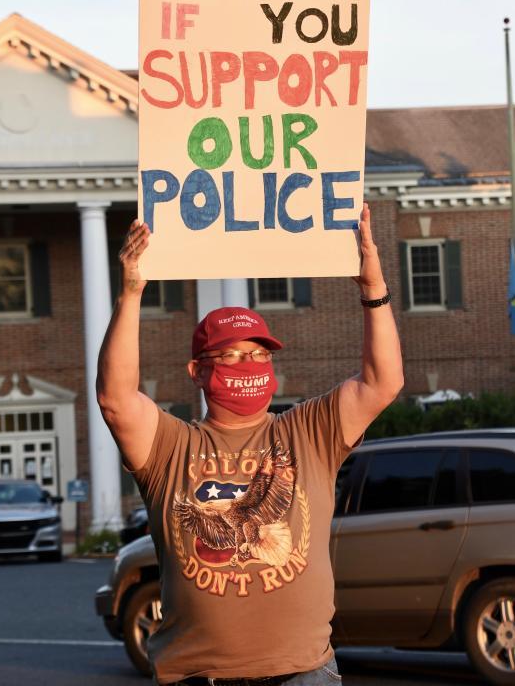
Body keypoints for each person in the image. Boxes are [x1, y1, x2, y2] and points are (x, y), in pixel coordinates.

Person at [96, 202, 403, 686]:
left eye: (258, 354)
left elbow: (382, 383)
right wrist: (132, 292)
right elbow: (115, 399)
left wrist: (373, 289)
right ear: (198, 371)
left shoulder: (307, 430)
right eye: (231, 355)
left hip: (304, 673)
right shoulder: (171, 445)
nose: (248, 364)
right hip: (199, 675)